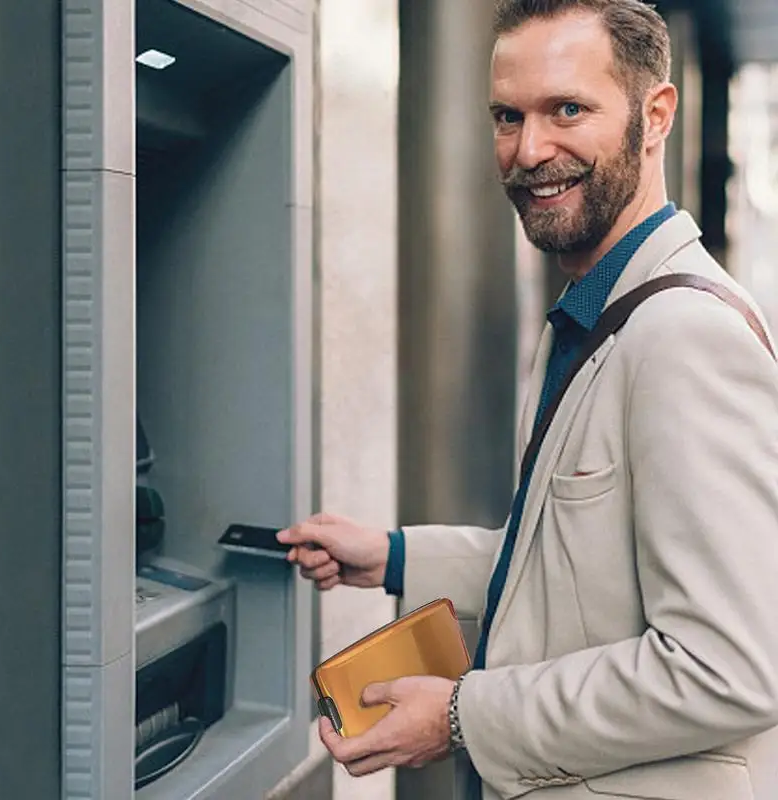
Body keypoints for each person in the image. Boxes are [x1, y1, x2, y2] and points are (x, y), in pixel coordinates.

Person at [278, 1, 778, 798]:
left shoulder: (684, 337)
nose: (529, 150)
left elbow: (729, 668)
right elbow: (574, 566)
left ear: (657, 115)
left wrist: (462, 716)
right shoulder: (592, 316)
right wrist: (395, 555)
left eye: (567, 110)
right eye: (508, 116)